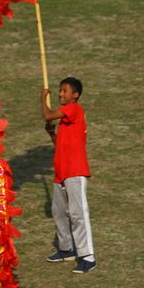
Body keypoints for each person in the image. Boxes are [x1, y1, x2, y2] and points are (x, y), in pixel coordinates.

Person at [41, 77, 97, 273]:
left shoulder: (74, 109)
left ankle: (88, 256)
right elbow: (60, 147)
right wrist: (51, 134)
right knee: (59, 212)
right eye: (59, 91)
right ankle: (66, 249)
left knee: (78, 214)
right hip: (61, 173)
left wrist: (42, 98)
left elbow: (47, 115)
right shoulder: (66, 120)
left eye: (64, 91)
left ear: (75, 95)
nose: (60, 94)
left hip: (75, 171)